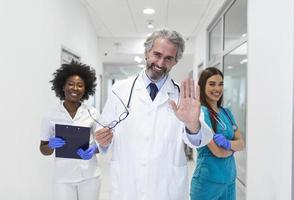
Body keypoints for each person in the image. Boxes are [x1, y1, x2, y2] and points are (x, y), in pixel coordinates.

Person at [94, 29, 213, 200]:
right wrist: (103, 140)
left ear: (175, 62)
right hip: (128, 184)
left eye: (168, 58)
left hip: (166, 187)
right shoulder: (120, 90)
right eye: (157, 54)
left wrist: (192, 125)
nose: (160, 62)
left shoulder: (183, 95)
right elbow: (102, 129)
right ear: (146, 53)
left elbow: (200, 140)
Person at [39, 61, 106, 200]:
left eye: (80, 85)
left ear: (86, 89)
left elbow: (102, 143)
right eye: (70, 84)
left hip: (90, 176)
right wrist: (50, 145)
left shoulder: (93, 113)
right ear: (62, 86)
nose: (75, 88)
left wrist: (94, 149)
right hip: (63, 177)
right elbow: (43, 148)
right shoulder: (50, 115)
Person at [189, 67, 245, 200]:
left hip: (229, 181)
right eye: (212, 84)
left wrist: (227, 144)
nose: (217, 89)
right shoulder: (201, 113)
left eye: (220, 84)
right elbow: (218, 152)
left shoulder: (227, 113)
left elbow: (242, 143)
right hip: (207, 182)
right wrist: (233, 149)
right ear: (202, 86)